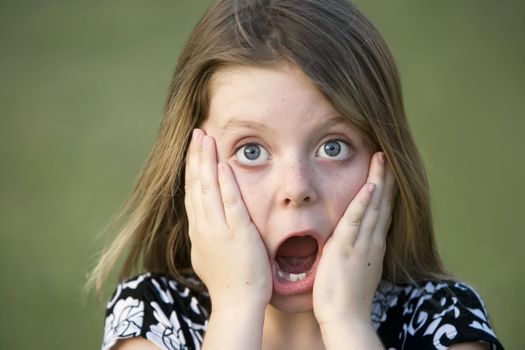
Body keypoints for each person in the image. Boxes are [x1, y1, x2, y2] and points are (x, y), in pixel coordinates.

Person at [89, 0, 505, 349]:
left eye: (333, 147)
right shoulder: (151, 319)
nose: (296, 188)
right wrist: (236, 309)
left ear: (387, 161)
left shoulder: (443, 321)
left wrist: (348, 324)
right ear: (192, 167)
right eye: (251, 151)